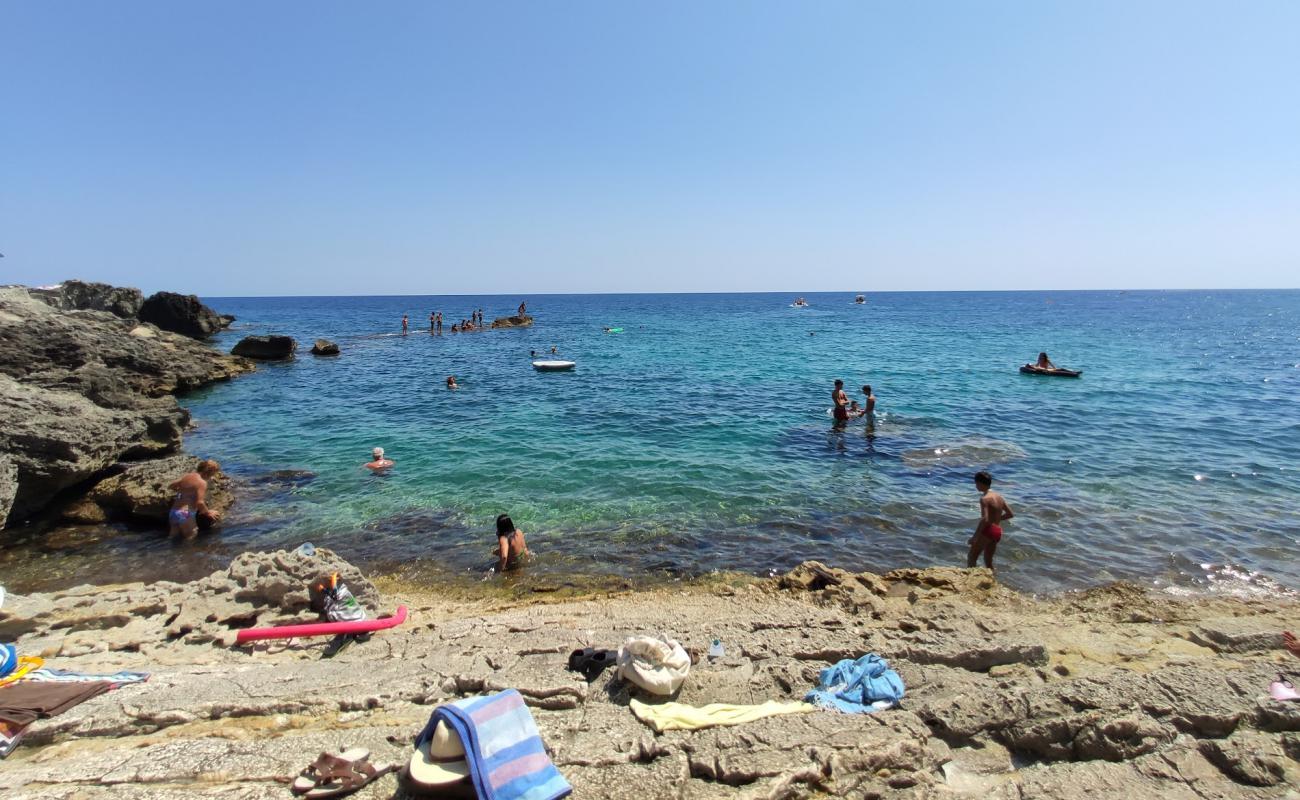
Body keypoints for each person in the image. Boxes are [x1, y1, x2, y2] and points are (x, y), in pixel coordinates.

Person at [967, 471, 1014, 570]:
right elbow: (1010, 514)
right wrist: (997, 519)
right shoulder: (998, 496)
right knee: (988, 561)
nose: (976, 486)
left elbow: (985, 519)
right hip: (997, 530)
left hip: (987, 530)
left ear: (980, 483)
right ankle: (993, 581)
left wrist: (975, 536)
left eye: (976, 483)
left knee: (972, 557)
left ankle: (970, 581)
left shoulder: (985, 499)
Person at [168, 460, 221, 539]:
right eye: (213, 474)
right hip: (185, 514)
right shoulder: (202, 483)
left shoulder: (188, 476)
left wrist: (184, 492)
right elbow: (200, 503)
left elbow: (171, 486)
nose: (212, 476)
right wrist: (208, 513)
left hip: (174, 512)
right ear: (209, 473)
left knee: (173, 538)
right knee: (191, 537)